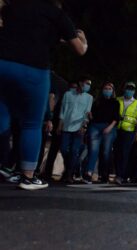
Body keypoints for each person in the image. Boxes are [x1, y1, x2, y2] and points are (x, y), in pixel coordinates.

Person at [0, 0, 87, 190]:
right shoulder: (56, 14)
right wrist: (83, 39)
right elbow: (80, 49)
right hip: (33, 69)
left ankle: (4, 161)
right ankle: (28, 176)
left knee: (2, 112)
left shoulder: (13, 7)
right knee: (32, 123)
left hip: (3, 63)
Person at [82, 82, 119, 184]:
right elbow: (93, 117)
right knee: (93, 150)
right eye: (105, 88)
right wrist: (90, 116)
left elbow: (116, 118)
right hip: (95, 126)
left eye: (109, 89)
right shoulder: (97, 102)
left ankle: (104, 175)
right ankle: (88, 173)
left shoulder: (115, 102)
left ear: (112, 91)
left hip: (109, 127)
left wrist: (109, 128)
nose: (107, 90)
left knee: (106, 152)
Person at [58, 77, 93, 183]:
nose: (87, 86)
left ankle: (69, 174)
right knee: (63, 149)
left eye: (89, 84)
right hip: (66, 126)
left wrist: (83, 127)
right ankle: (70, 168)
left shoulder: (89, 97)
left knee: (74, 151)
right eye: (86, 83)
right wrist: (59, 126)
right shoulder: (68, 94)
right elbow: (63, 111)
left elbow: (87, 113)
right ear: (80, 83)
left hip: (79, 128)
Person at [114, 82, 137, 184]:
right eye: (128, 88)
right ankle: (120, 174)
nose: (129, 90)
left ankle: (120, 175)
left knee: (124, 153)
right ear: (124, 88)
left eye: (131, 89)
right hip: (117, 130)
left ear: (134, 91)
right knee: (117, 153)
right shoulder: (118, 100)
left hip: (129, 131)